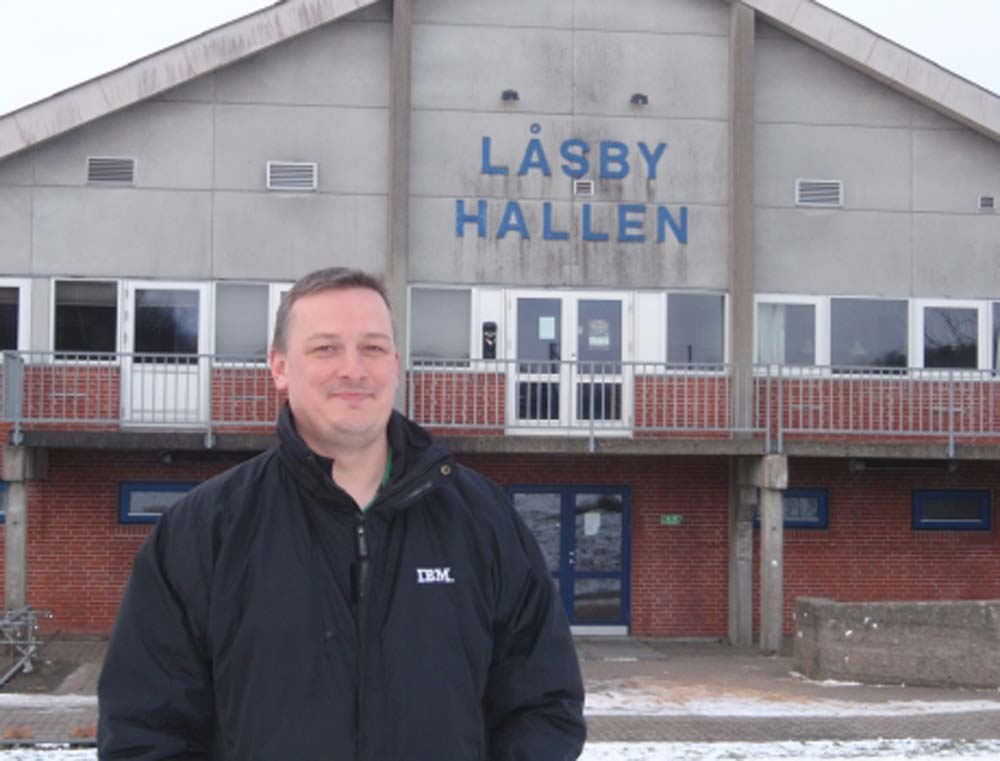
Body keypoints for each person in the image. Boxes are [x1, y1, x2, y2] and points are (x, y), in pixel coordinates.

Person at [97, 267, 586, 760]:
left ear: (395, 364)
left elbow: (544, 705)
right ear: (279, 366)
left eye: (372, 348)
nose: (353, 370)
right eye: (326, 348)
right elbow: (147, 731)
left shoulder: (482, 520)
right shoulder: (205, 531)